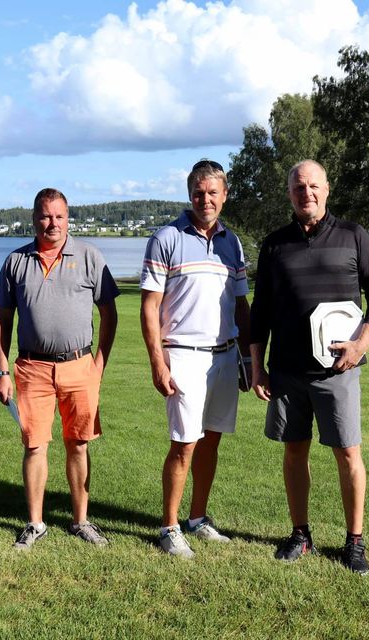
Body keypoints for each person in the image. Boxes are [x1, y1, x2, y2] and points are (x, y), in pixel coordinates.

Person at [249, 160, 369, 574]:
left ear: (327, 190)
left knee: (348, 452)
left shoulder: (353, 235)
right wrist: (257, 367)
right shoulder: (275, 245)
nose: (306, 193)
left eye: (313, 186)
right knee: (295, 451)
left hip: (337, 371)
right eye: (298, 187)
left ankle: (355, 542)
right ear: (289, 193)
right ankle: (300, 534)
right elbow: (260, 311)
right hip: (287, 370)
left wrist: (361, 345)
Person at [0, 188, 119, 550]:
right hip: (32, 368)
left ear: (68, 218)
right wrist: (2, 370)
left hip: (79, 366)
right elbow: (3, 321)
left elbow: (109, 314)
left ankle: (81, 521)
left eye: (59, 216)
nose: (53, 223)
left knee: (78, 444)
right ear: (34, 219)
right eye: (46, 216)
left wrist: (99, 364)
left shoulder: (90, 256)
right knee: (35, 446)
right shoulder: (16, 261)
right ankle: (35, 523)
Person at [140, 159, 250, 558]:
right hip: (183, 355)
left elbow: (241, 305)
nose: (206, 200)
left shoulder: (232, 243)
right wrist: (157, 362)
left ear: (225, 196)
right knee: (184, 444)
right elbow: (149, 306)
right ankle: (169, 528)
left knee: (211, 441)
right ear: (190, 195)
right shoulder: (166, 238)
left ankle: (197, 518)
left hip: (225, 355)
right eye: (199, 193)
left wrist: (249, 358)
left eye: (213, 193)